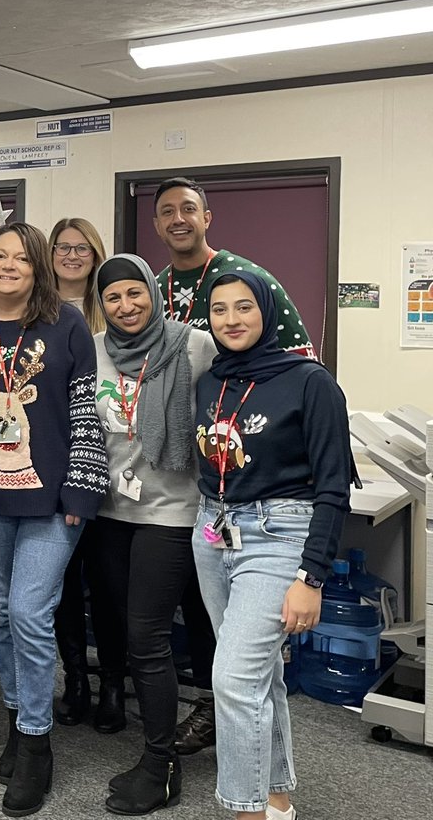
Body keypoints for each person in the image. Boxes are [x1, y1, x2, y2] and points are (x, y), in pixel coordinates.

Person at [0, 222, 108, 816]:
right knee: (1, 615)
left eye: (21, 258)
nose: (9, 265)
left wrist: (83, 492)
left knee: (31, 612)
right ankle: (16, 716)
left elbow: (86, 414)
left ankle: (37, 741)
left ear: (38, 267)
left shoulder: (67, 326)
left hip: (53, 500)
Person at [151, 177, 317, 755]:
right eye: (167, 211)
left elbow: (297, 367)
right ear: (156, 224)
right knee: (203, 606)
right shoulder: (156, 285)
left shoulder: (250, 276)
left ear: (208, 217)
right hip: (185, 472)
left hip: (250, 475)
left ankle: (225, 716)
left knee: (231, 635)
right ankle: (234, 719)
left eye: (188, 210)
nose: (178, 219)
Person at [191, 272, 351, 820]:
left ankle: (247, 811)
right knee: (259, 675)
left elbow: (333, 489)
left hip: (280, 535)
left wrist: (311, 578)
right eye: (218, 310)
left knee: (231, 679)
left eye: (243, 307)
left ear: (267, 312)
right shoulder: (212, 381)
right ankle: (277, 797)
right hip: (212, 533)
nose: (231, 320)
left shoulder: (310, 381)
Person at [86, 255, 217, 814]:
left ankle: (162, 765)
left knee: (148, 638)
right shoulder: (92, 348)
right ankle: (155, 753)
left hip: (174, 512)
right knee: (120, 629)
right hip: (110, 510)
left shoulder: (195, 345)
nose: (126, 306)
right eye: (113, 297)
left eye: (135, 293)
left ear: (153, 293)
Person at [46, 217, 125, 732]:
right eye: (62, 247)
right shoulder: (38, 311)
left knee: (108, 582)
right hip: (54, 467)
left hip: (117, 470)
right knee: (62, 585)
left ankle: (113, 685)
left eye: (82, 248)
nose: (72, 255)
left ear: (96, 254)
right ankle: (75, 679)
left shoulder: (116, 310)